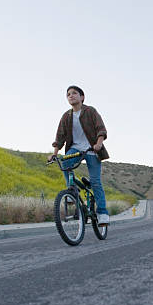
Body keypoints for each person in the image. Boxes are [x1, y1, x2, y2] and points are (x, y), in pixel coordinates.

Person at [48, 85, 110, 226]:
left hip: (91, 149)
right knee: (64, 162)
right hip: (75, 149)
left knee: (95, 182)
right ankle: (72, 190)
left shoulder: (90, 111)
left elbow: (101, 129)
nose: (71, 95)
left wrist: (99, 143)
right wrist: (54, 154)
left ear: (82, 97)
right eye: (68, 94)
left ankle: (102, 213)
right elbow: (59, 137)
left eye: (74, 93)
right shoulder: (66, 116)